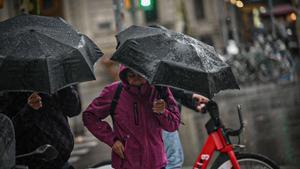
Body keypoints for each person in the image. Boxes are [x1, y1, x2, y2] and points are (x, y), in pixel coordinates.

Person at [83, 65, 180, 169]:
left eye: (140, 74)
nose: (136, 78)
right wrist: (112, 140)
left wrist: (162, 112)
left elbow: (173, 125)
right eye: (131, 75)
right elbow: (89, 116)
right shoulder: (114, 91)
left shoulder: (160, 89)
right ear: (124, 76)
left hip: (157, 163)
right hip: (127, 163)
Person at [0, 86, 81, 169]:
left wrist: (63, 87)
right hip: (30, 163)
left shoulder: (51, 80)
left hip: (62, 161)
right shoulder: (8, 90)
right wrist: (29, 110)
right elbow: (7, 132)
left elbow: (74, 110)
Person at [163, 88, 209, 169]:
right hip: (165, 119)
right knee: (173, 162)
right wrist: (190, 96)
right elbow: (165, 88)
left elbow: (171, 93)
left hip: (167, 119)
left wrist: (194, 104)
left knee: (170, 162)